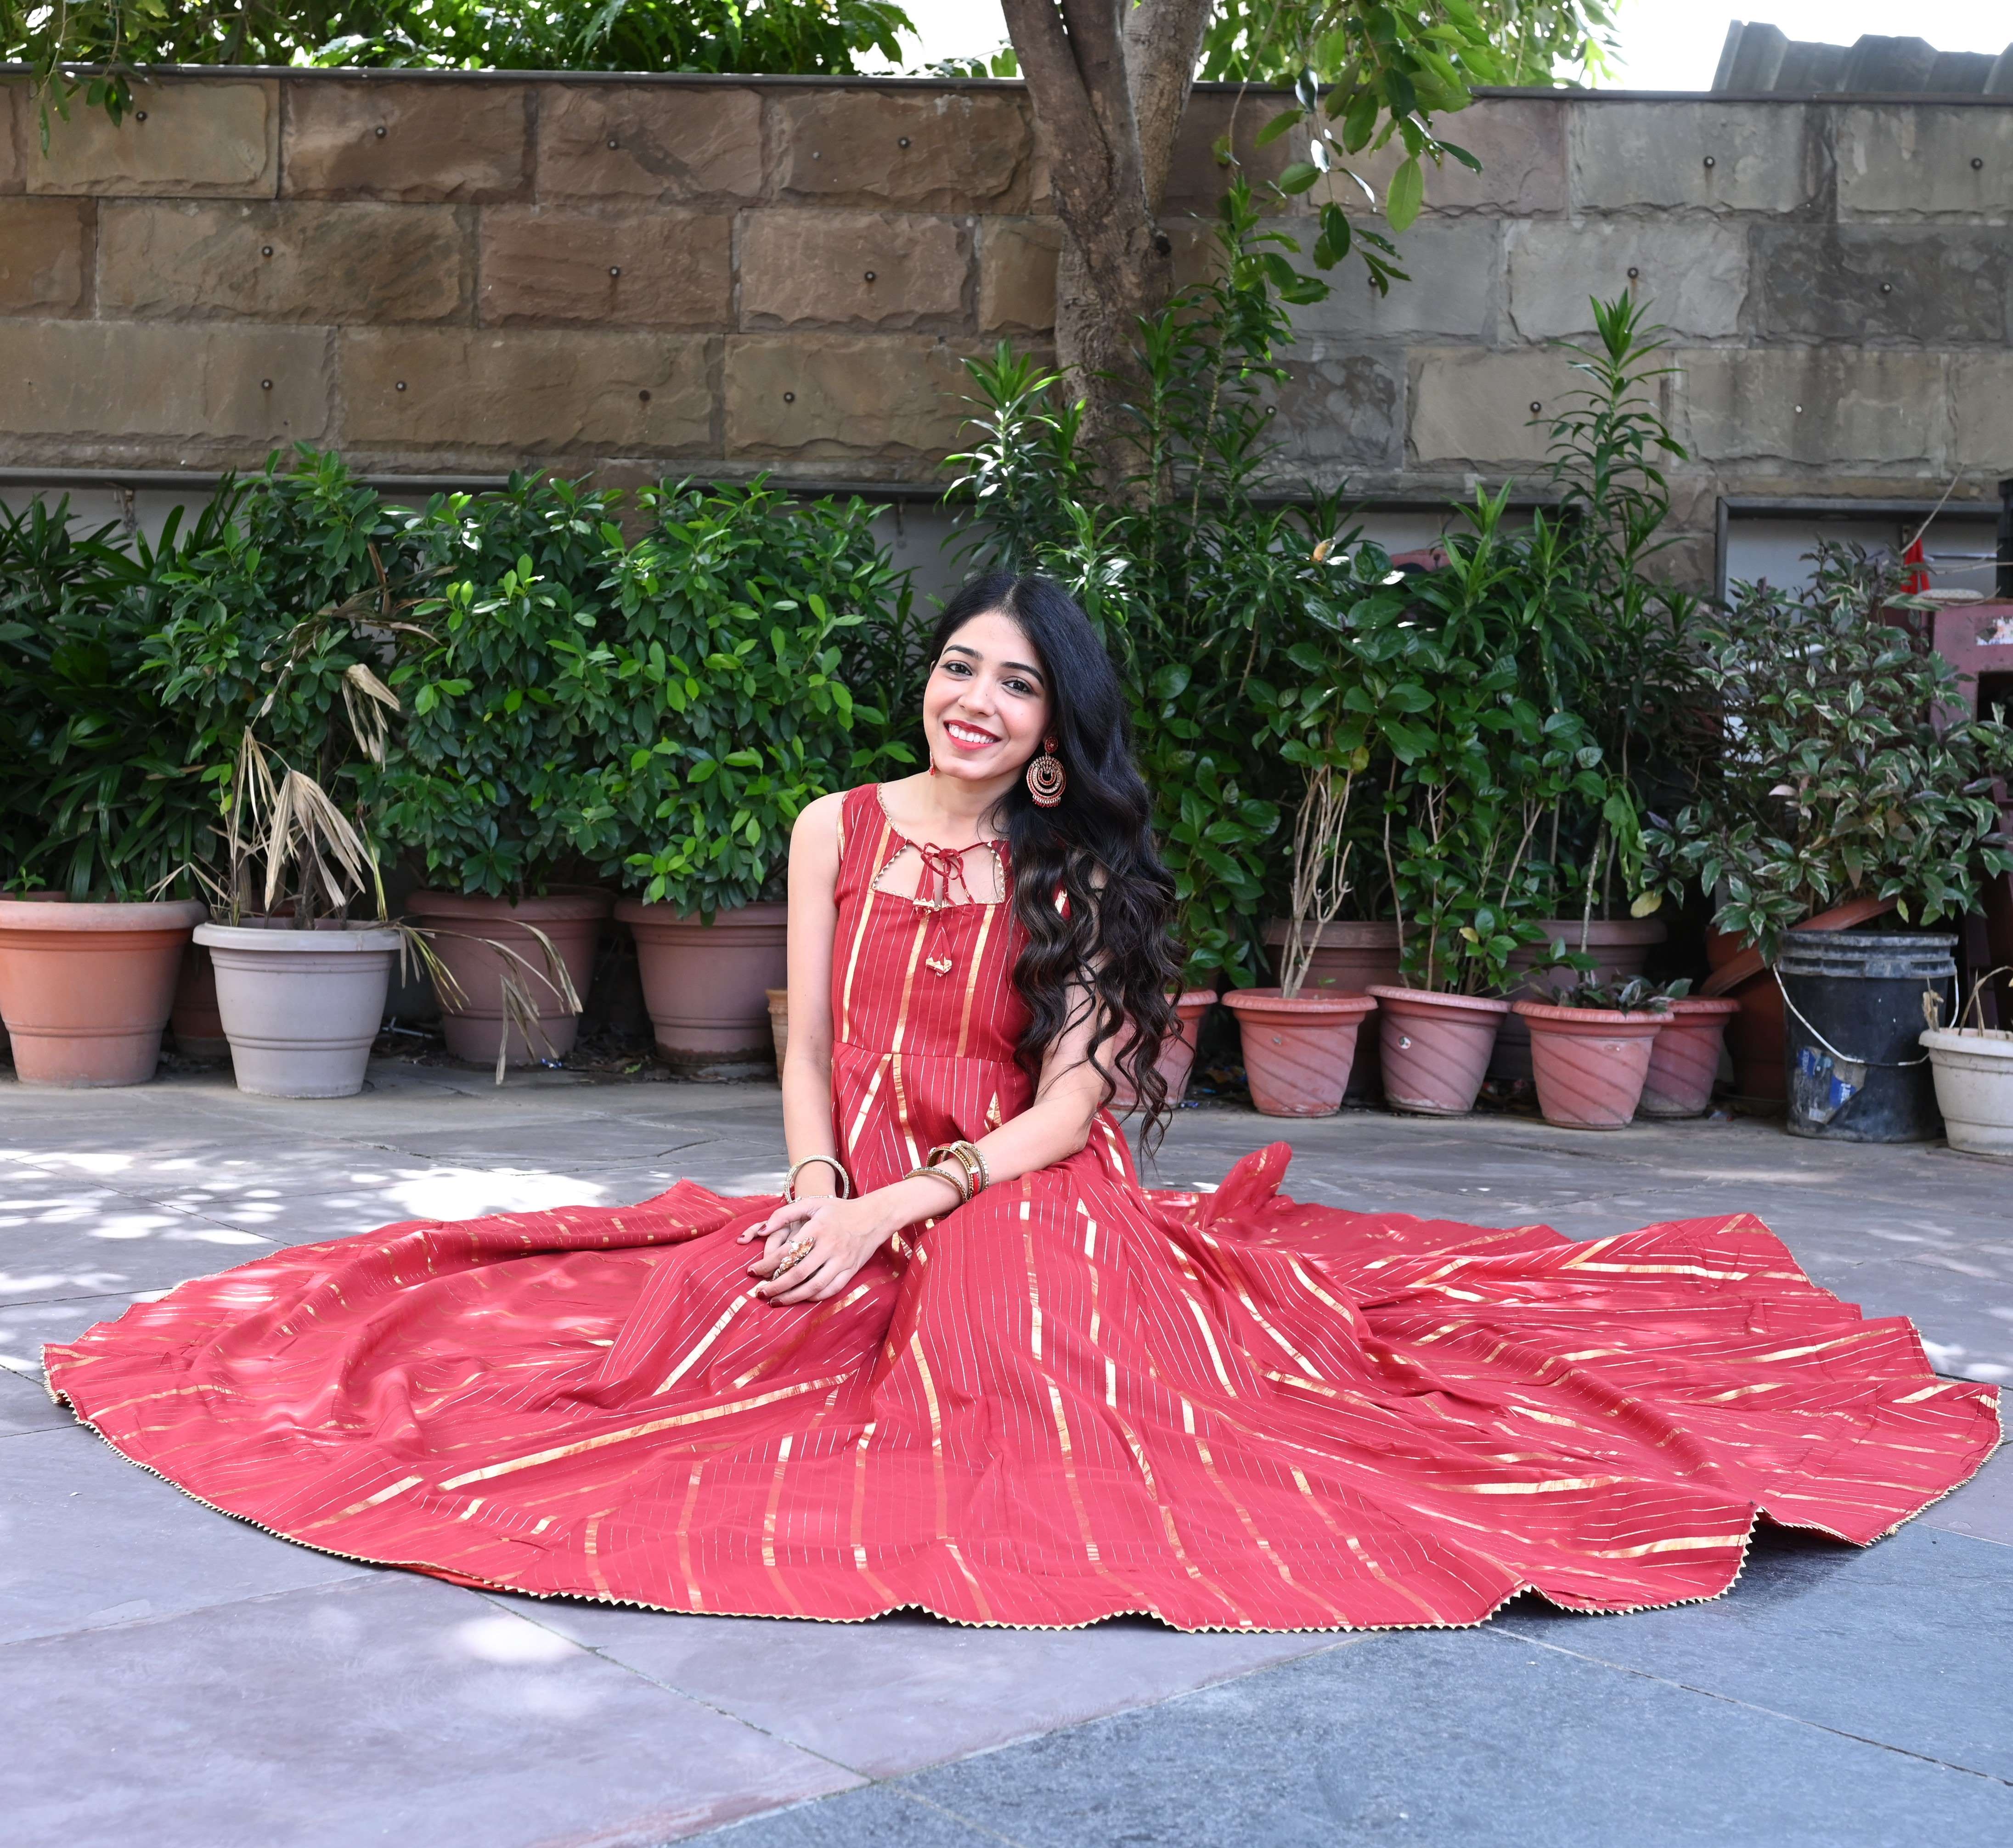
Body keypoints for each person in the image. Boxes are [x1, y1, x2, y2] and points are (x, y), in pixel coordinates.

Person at [45, 573, 2000, 1632]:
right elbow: (808, 1035)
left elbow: (1072, 1117)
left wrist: (905, 1209)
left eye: (1012, 689)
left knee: (1035, 1371)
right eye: (955, 668)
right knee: (681, 1332)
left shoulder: (1074, 879)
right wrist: (815, 1180)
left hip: (1016, 1180)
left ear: (1059, 734)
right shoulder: (833, 824)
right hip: (861, 1161)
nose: (969, 702)